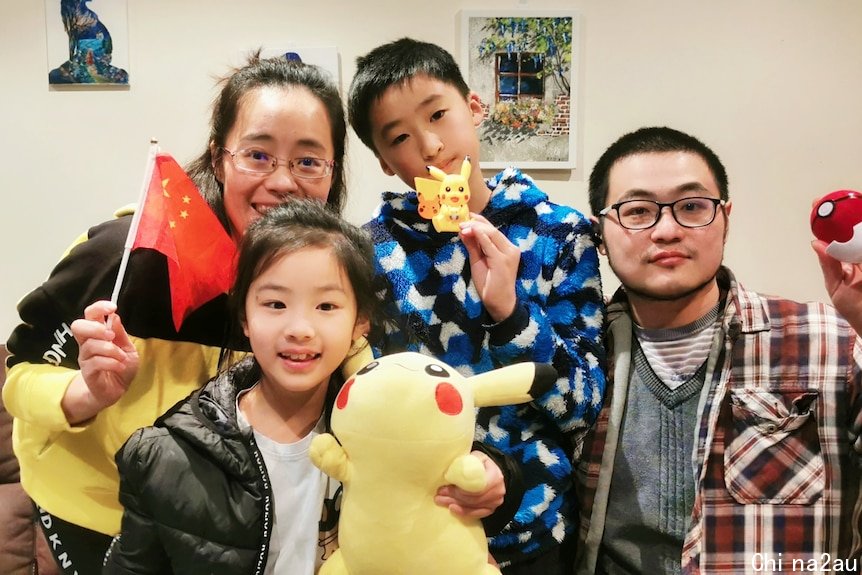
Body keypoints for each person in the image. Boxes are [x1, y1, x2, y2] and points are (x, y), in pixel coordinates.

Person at [3, 53, 349, 574]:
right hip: (101, 517)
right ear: (218, 159)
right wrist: (86, 393)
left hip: (225, 526)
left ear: (331, 173)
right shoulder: (126, 255)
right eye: (257, 154)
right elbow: (21, 373)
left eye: (307, 161)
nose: (282, 182)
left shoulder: (329, 275)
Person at [347, 37, 607, 574]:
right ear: (384, 161)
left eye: (439, 113)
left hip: (535, 531)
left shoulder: (560, 233)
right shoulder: (370, 252)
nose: (431, 145)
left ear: (474, 106)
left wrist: (512, 314)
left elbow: (582, 405)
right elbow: (362, 401)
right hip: (411, 537)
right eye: (399, 137)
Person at [576, 126, 862, 574]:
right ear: (599, 230)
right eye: (637, 211)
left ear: (725, 216)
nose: (666, 230)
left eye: (692, 207)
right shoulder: (575, 356)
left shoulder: (828, 341)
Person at [101, 200, 375, 573]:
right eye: (275, 304)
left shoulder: (385, 437)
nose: (299, 328)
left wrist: (480, 465)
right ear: (245, 316)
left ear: (361, 321)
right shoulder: (168, 456)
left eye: (326, 306)